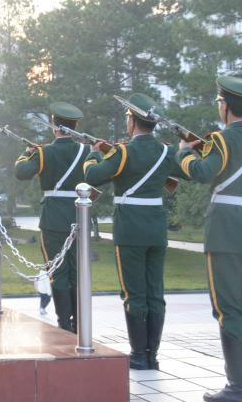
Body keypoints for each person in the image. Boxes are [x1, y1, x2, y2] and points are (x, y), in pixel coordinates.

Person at [83, 93, 187, 371]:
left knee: (134, 293)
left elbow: (92, 176)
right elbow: (186, 172)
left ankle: (139, 355)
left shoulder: (123, 152)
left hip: (130, 230)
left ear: (132, 121)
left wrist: (93, 154)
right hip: (156, 229)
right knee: (155, 292)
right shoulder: (166, 151)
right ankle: (153, 356)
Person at [175, 76, 242, 402]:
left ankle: (237, 388)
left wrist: (184, 154)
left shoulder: (223, 140)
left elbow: (203, 172)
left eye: (219, 102)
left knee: (229, 310)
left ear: (226, 106)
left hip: (226, 233)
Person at [14, 102, 87, 332]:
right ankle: (78, 323)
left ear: (54, 126)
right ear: (75, 127)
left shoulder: (44, 152)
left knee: (58, 271)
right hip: (79, 215)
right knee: (77, 271)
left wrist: (26, 153)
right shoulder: (85, 151)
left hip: (53, 217)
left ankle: (64, 324)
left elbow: (21, 172)